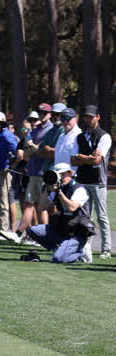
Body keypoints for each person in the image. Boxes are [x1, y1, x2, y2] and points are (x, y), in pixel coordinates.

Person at [0, 103, 54, 242]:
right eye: (40, 112)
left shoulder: (50, 130)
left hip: (44, 173)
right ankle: (18, 234)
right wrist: (28, 151)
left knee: (42, 208)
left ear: (50, 114)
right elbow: (27, 152)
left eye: (44, 113)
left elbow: (42, 151)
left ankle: (45, 238)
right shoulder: (36, 130)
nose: (41, 115)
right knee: (29, 204)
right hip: (33, 173)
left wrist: (31, 149)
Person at [25, 163, 92, 263]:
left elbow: (72, 208)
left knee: (57, 259)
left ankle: (80, 254)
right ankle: (57, 249)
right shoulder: (57, 189)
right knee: (32, 230)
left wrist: (60, 194)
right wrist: (47, 188)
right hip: (61, 230)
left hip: (76, 234)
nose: (59, 178)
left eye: (62, 175)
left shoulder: (79, 189)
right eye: (57, 175)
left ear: (70, 173)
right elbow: (41, 207)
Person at [70, 105, 112, 259]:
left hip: (98, 181)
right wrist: (86, 158)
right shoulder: (80, 137)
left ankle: (106, 249)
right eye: (86, 117)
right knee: (85, 217)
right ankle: (85, 248)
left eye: (91, 117)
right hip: (82, 181)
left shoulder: (104, 136)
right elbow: (72, 160)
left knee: (101, 216)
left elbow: (97, 161)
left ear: (98, 117)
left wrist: (81, 157)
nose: (88, 119)